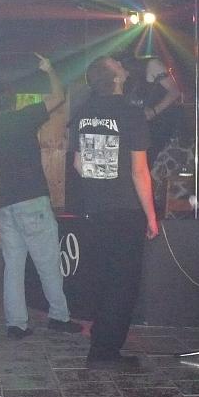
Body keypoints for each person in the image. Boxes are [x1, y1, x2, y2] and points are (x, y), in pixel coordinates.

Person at [0, 55, 81, 339]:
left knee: (13, 267)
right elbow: (58, 97)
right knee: (48, 264)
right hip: (33, 202)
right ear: (10, 100)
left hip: (7, 208)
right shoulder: (24, 117)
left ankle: (16, 324)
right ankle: (59, 317)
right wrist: (50, 70)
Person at [69, 56, 159, 368]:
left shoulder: (83, 112)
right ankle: (104, 353)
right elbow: (139, 171)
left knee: (102, 279)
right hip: (125, 210)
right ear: (115, 78)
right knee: (123, 284)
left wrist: (99, 184)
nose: (122, 64)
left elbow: (78, 164)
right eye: (116, 64)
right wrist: (151, 216)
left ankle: (101, 343)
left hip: (94, 210)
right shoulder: (130, 113)